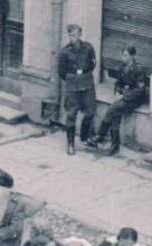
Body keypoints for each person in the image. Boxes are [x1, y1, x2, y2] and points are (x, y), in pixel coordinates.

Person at [88, 46, 148, 156]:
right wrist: (118, 92)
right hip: (124, 96)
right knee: (115, 115)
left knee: (112, 109)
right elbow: (118, 83)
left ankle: (101, 136)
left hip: (135, 99)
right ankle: (114, 146)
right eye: (122, 55)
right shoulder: (122, 67)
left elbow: (140, 90)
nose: (122, 58)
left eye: (125, 55)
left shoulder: (139, 69)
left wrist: (124, 96)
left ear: (132, 56)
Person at [58, 24, 96, 155]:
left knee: (90, 112)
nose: (72, 38)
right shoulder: (64, 52)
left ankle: (84, 137)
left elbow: (92, 64)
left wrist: (83, 73)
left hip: (87, 84)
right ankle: (70, 144)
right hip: (72, 86)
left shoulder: (88, 48)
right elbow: (61, 72)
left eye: (74, 35)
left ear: (80, 34)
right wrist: (72, 78)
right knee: (71, 115)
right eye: (70, 35)